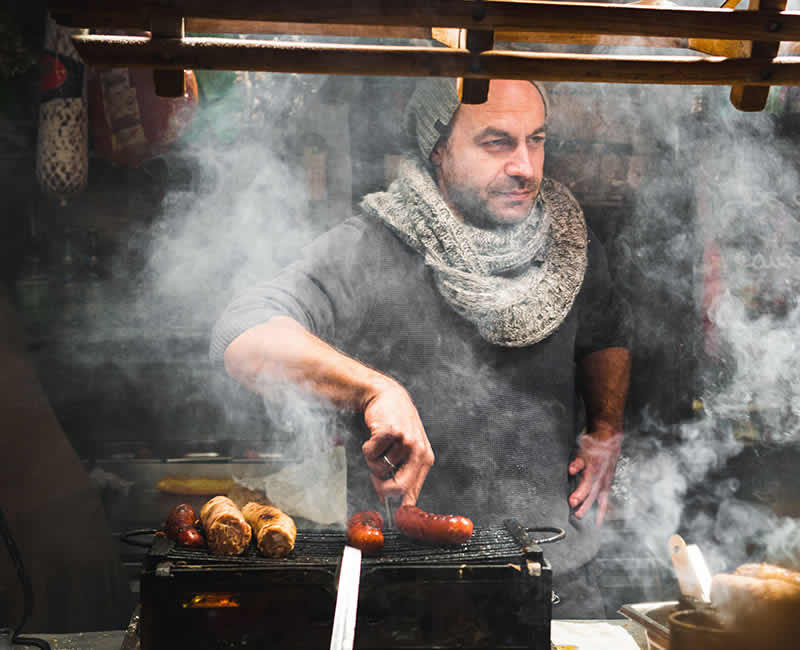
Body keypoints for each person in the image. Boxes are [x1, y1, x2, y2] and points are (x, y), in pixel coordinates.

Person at [210, 78, 632, 618]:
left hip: (559, 572)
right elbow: (242, 332)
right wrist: (373, 389)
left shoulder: (570, 244)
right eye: (497, 142)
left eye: (536, 139)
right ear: (438, 150)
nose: (526, 167)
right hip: (409, 586)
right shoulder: (368, 247)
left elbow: (606, 332)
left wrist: (606, 425)